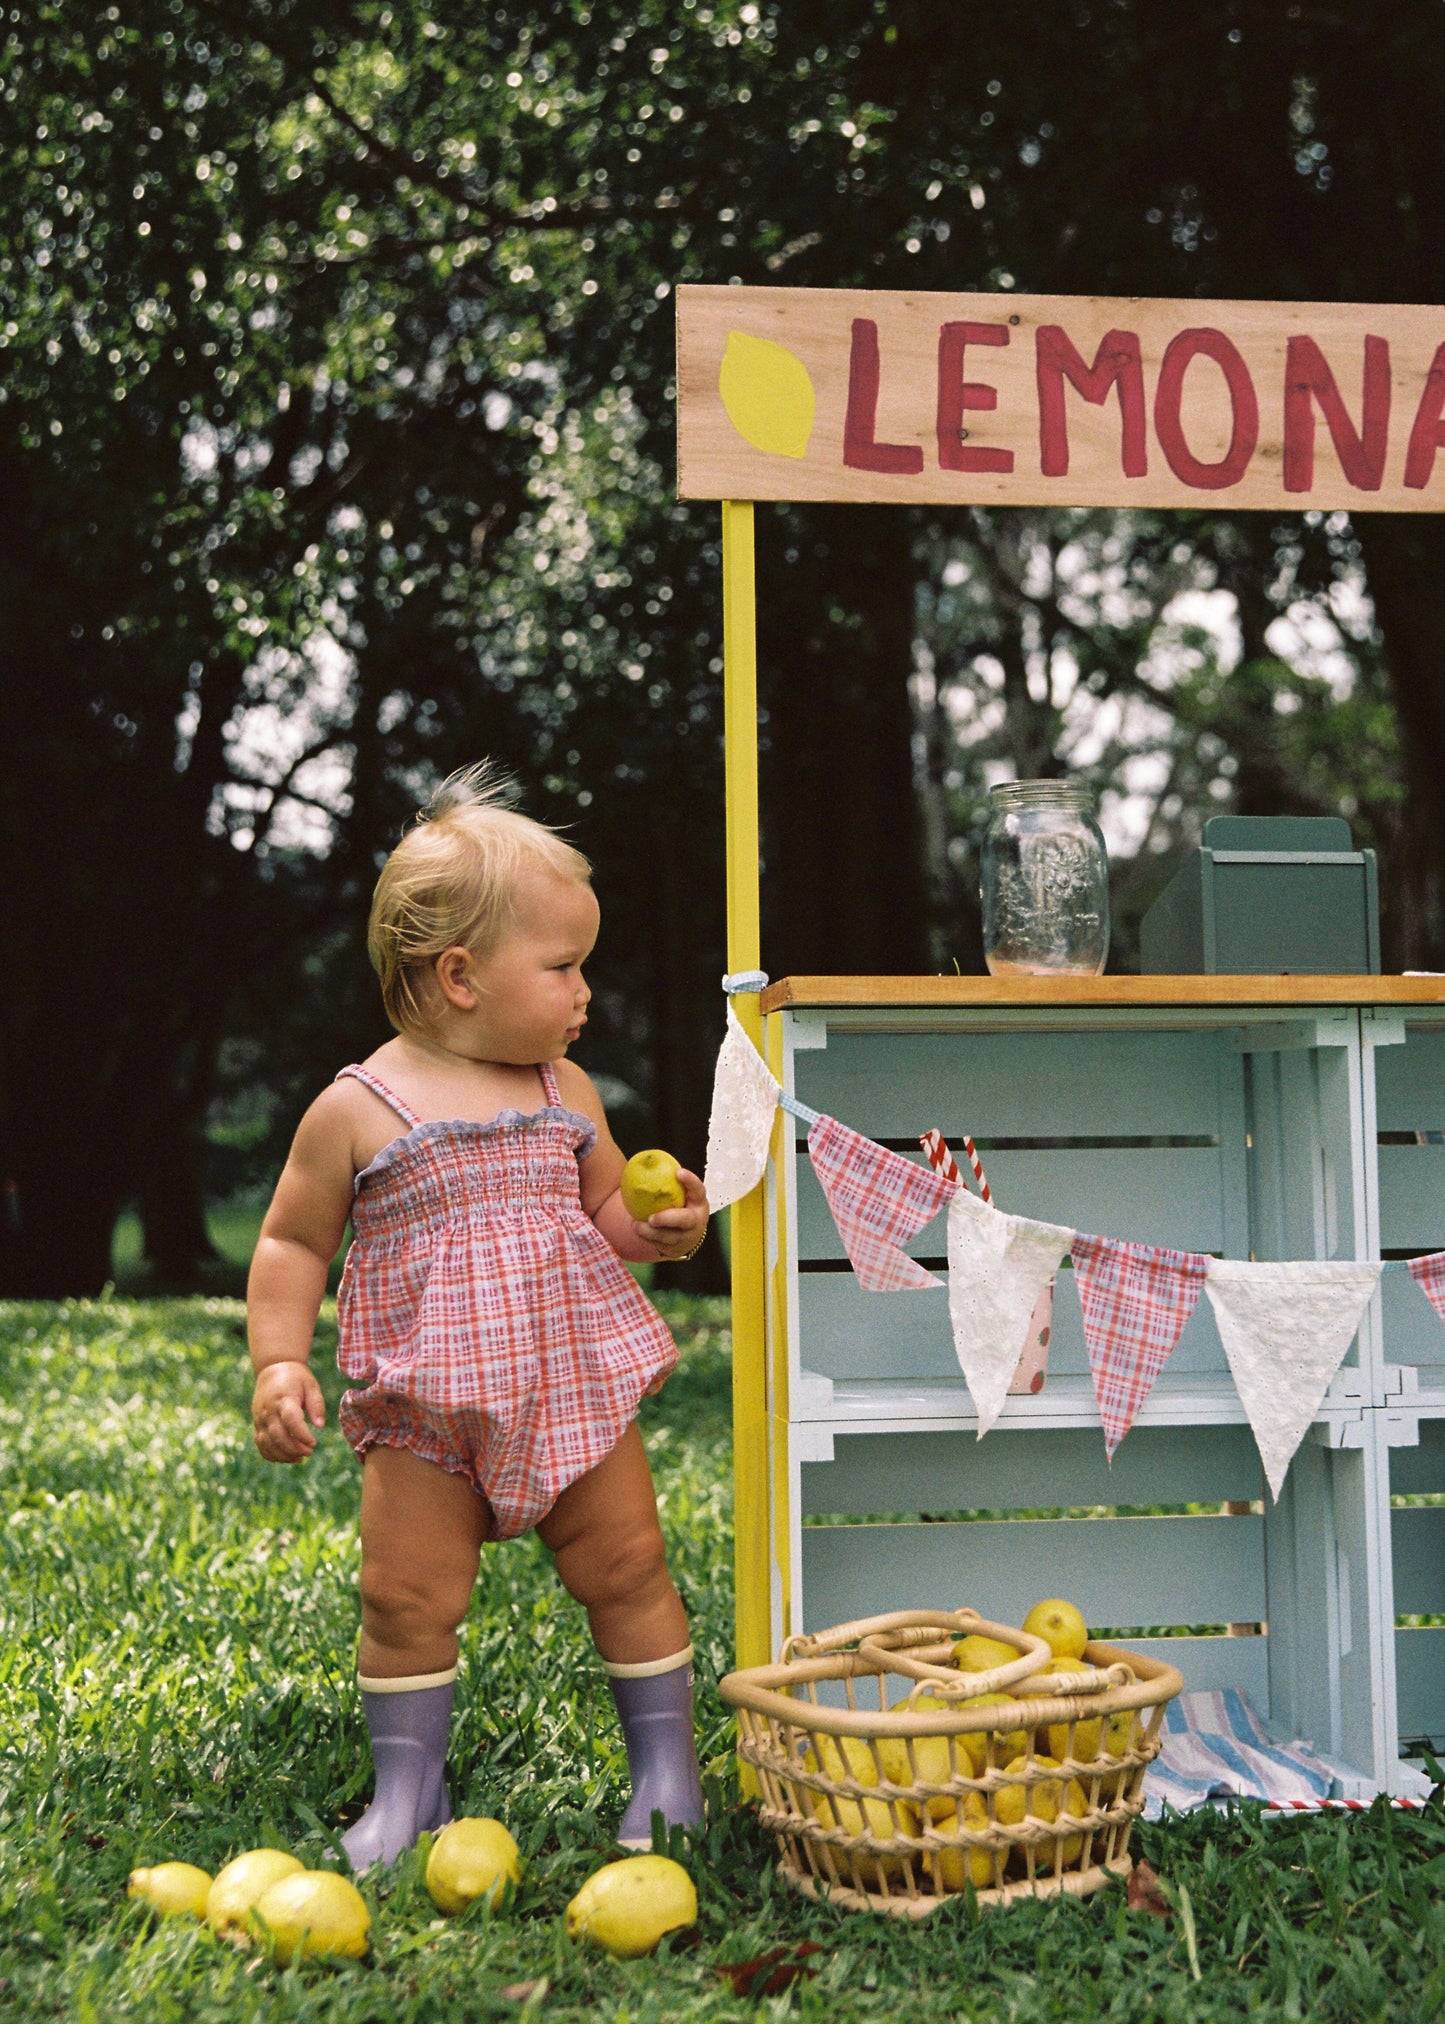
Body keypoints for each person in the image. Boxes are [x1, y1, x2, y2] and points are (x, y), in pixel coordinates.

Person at [245, 763, 710, 1870]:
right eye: (563, 965)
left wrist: (658, 1228)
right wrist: (277, 1362)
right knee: (403, 1595)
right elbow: (292, 1240)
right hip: (427, 1406)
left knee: (631, 1565)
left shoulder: (565, 1089)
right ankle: (409, 1793)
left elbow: (604, 1210)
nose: (585, 989)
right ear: (459, 975)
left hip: (568, 1386)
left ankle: (667, 1775)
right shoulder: (358, 1107)